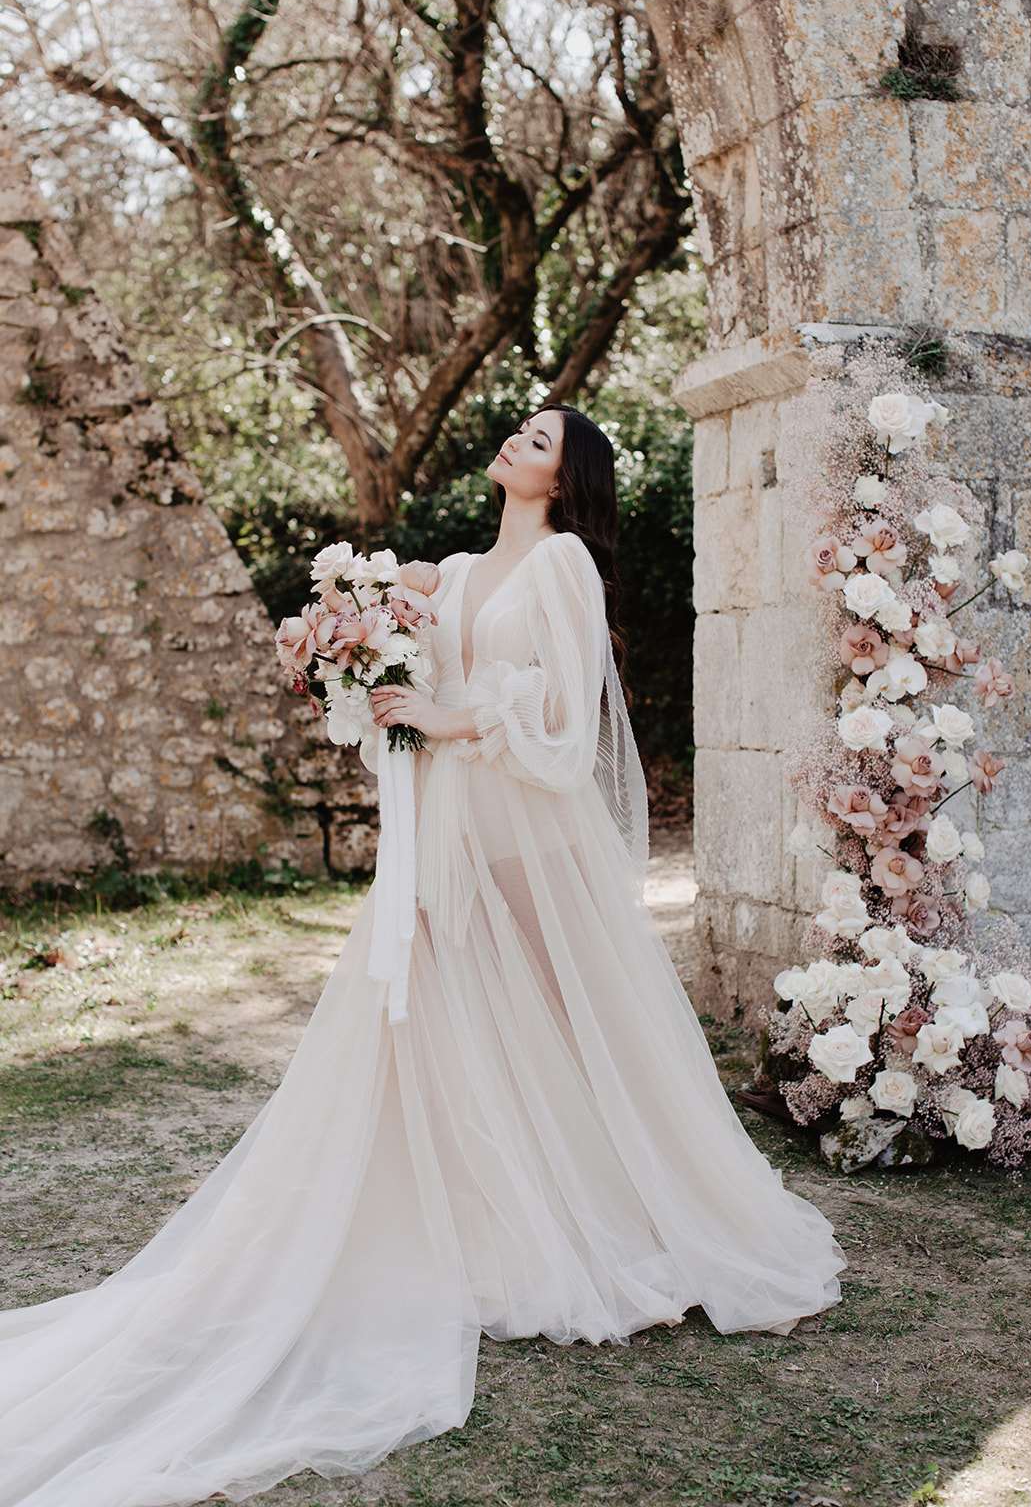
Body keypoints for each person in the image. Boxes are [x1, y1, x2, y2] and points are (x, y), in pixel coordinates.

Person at [0, 404, 847, 1507]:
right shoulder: (456, 570)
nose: (517, 445)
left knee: (560, 1015)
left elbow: (564, 709)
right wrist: (349, 647)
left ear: (564, 479)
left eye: (541, 443)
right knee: (441, 1023)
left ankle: (627, 1212)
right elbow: (401, 634)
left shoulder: (562, 570)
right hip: (446, 829)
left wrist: (447, 719)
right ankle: (480, 1218)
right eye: (522, 431)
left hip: (526, 834)